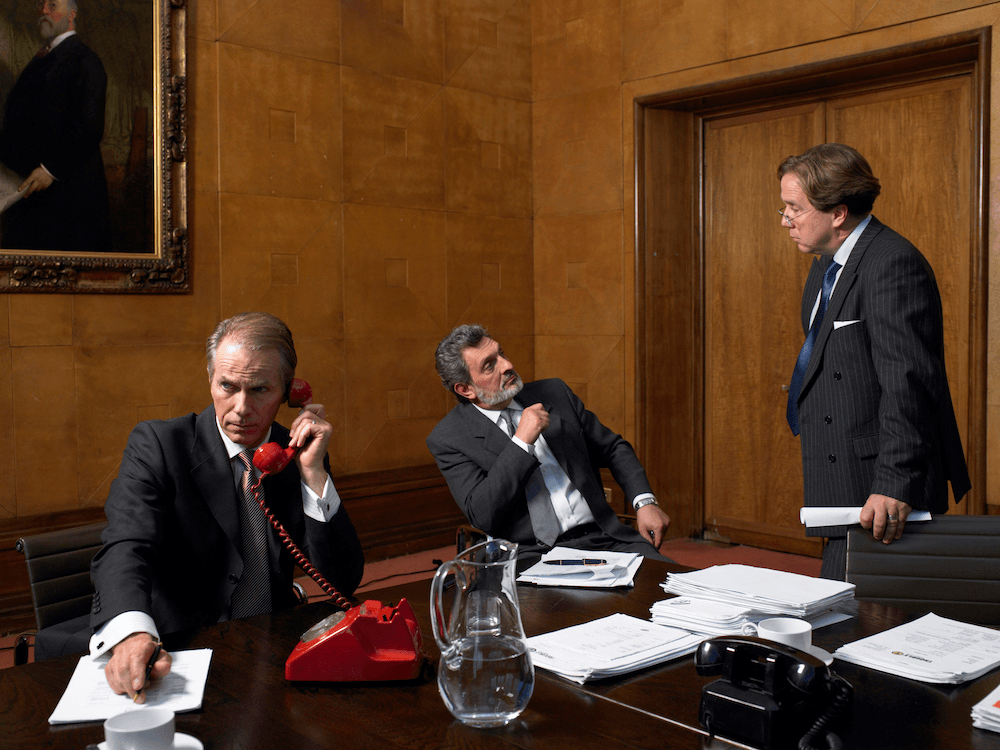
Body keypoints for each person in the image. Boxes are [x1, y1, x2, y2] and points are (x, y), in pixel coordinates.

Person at [35, 312, 365, 702]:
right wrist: (131, 631)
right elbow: (126, 546)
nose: (241, 407)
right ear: (211, 380)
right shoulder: (158, 445)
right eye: (228, 386)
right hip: (181, 652)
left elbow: (343, 580)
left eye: (260, 390)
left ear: (290, 392)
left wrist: (312, 474)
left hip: (270, 650)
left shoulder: (294, 450)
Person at [779, 143, 971, 579]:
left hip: (881, 487)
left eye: (794, 208)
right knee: (840, 611)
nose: (786, 219)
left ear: (838, 213)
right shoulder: (825, 263)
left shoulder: (892, 264)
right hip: (840, 474)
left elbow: (909, 385)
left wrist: (893, 482)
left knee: (873, 626)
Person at [426, 324, 672, 562]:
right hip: (528, 554)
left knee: (669, 592)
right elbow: (482, 514)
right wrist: (521, 442)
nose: (508, 365)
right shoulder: (449, 438)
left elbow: (612, 448)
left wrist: (645, 503)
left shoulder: (554, 392)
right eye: (490, 365)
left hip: (604, 538)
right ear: (466, 389)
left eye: (501, 354)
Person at [0, 0, 112, 251]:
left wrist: (50, 170)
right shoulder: (42, 58)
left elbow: (88, 128)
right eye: (41, 5)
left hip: (68, 195)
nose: (43, 11)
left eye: (52, 5)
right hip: (27, 189)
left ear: (71, 15)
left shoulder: (86, 61)